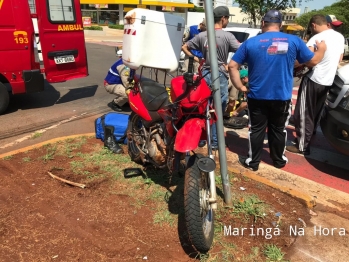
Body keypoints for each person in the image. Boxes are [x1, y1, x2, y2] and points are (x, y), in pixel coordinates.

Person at [229, 10, 326, 171]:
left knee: (256, 129)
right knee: (278, 129)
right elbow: (313, 61)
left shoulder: (250, 43)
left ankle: (253, 162)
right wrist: (321, 49)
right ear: (280, 24)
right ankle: (278, 160)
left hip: (256, 95)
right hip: (281, 96)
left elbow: (232, 66)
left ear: (262, 23)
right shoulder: (293, 41)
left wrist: (240, 87)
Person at [182, 6, 241, 150]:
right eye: (228, 18)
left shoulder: (202, 35)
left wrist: (198, 59)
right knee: (218, 110)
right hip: (219, 75)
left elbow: (185, 47)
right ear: (223, 19)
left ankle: (202, 139)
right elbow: (242, 51)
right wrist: (231, 65)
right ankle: (214, 142)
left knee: (203, 107)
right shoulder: (228, 36)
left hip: (205, 74)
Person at [286, 14, 344, 155]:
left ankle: (302, 146)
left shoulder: (315, 38)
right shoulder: (339, 37)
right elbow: (340, 58)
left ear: (313, 25)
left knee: (304, 113)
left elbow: (308, 59)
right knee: (316, 111)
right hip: (328, 80)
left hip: (314, 78)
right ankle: (310, 135)